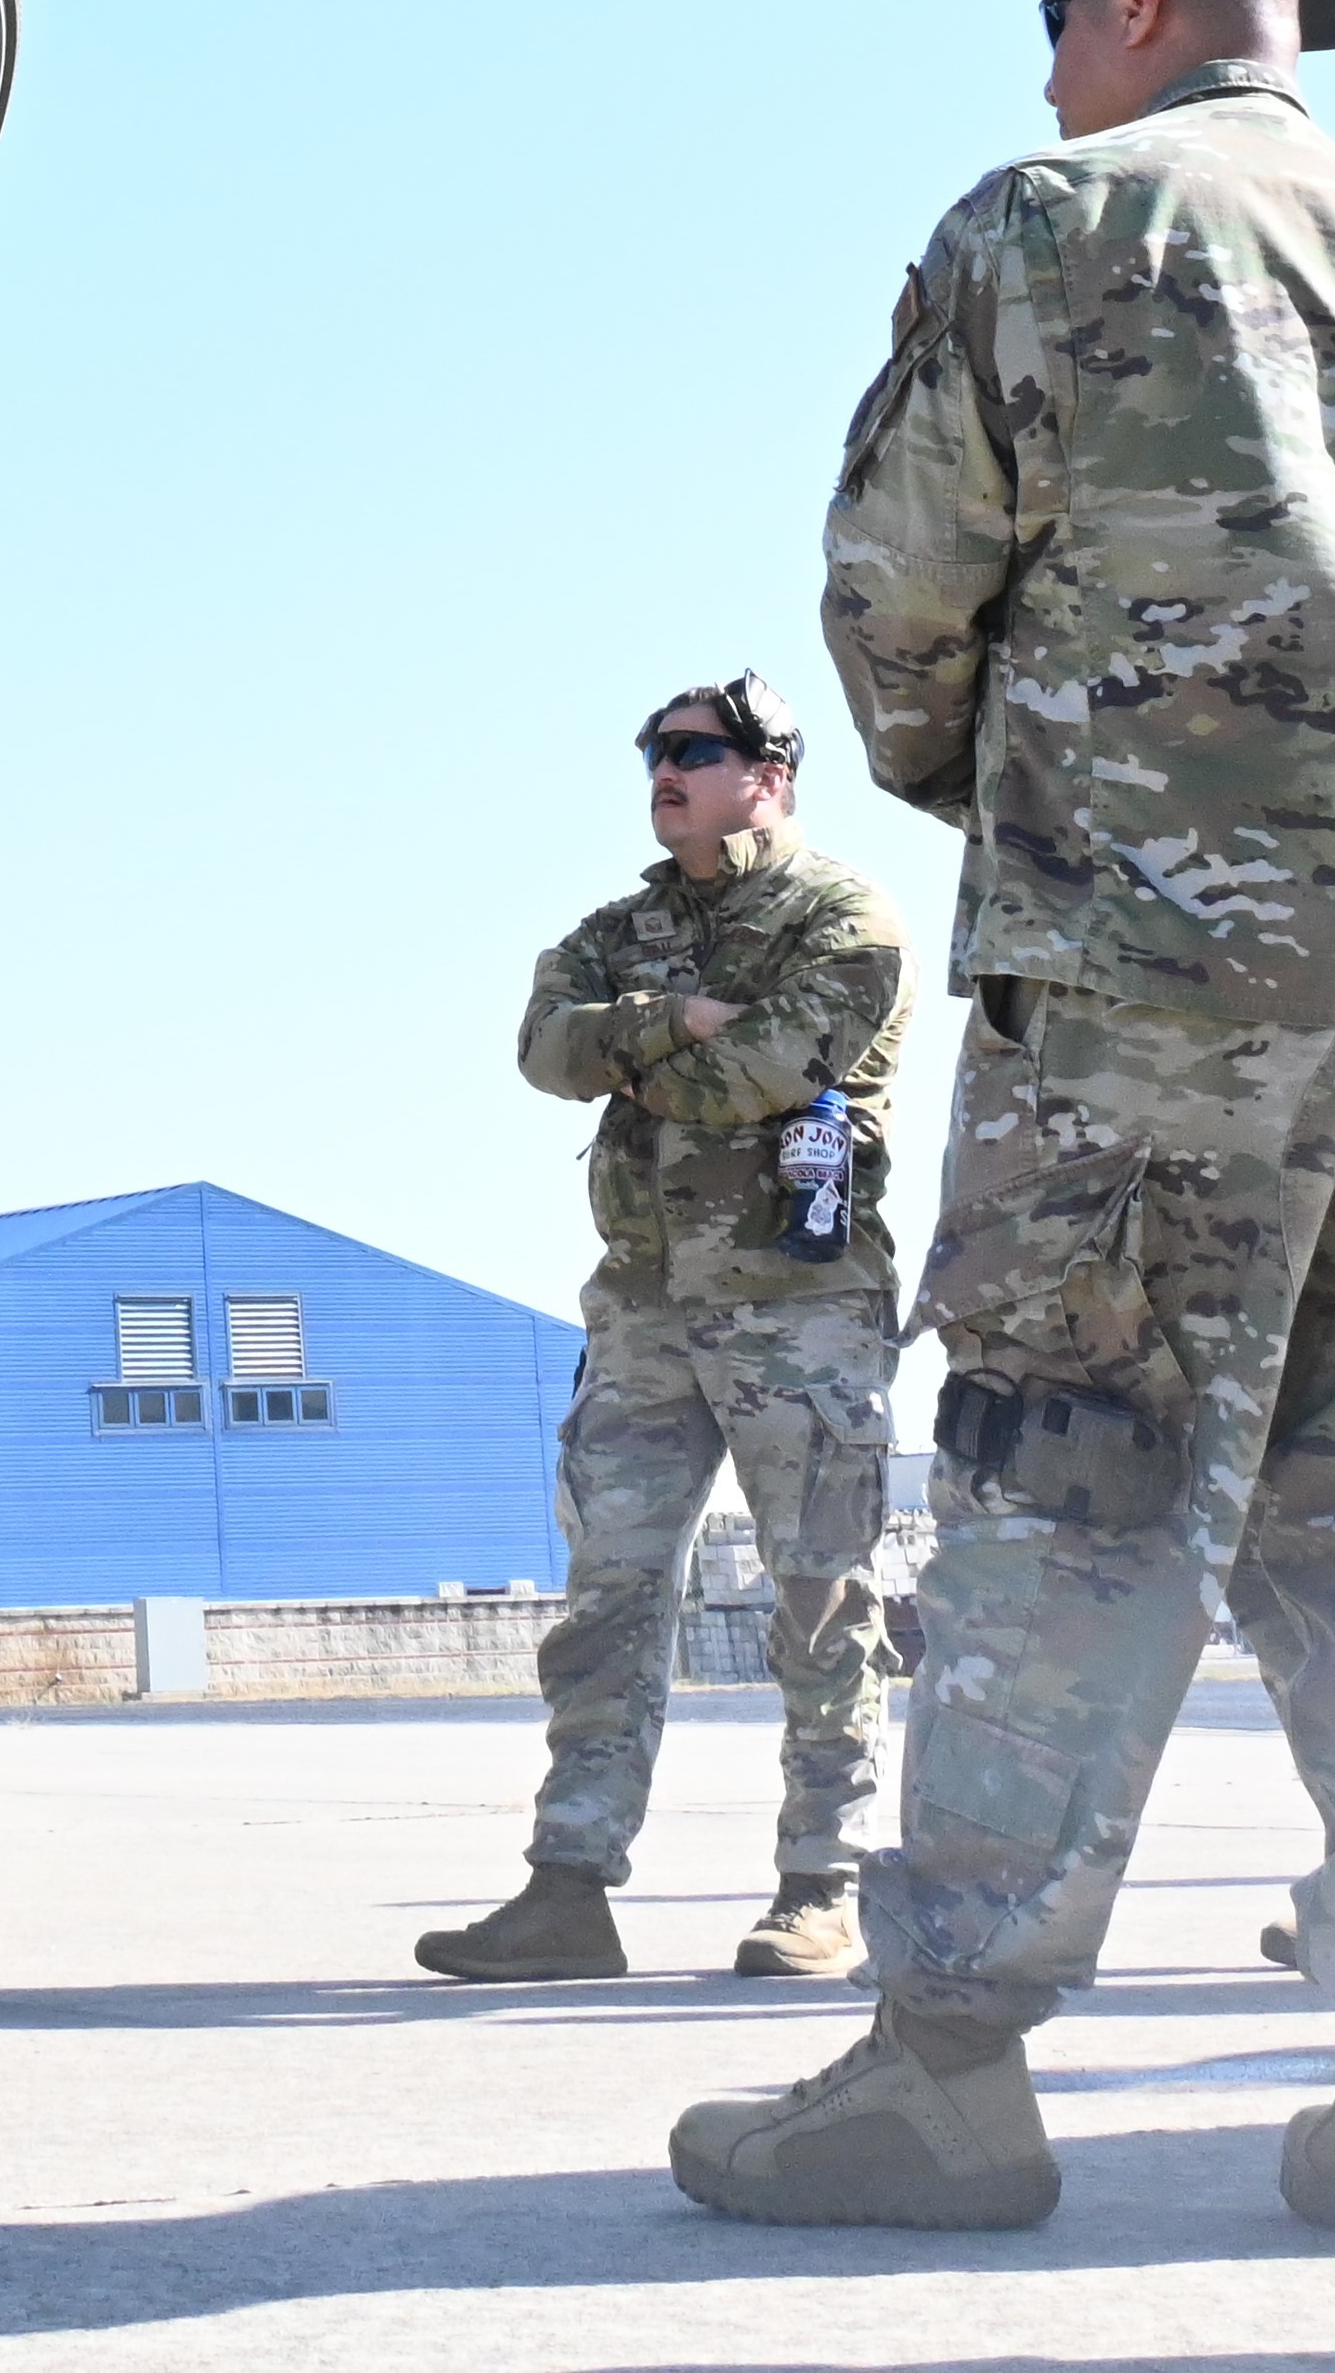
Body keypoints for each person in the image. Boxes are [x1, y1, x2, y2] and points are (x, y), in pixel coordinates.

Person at [669, 0, 1335, 2255]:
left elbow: (894, 592)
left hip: (1154, 975)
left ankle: (944, 2070)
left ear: (1147, 1)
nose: (1043, 55)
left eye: (1057, 6)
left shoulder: (1056, 218)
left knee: (1066, 1479)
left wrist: (1025, 789)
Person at [425, 683, 914, 1988]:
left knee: (821, 1595)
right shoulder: (619, 925)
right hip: (643, 1303)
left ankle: (824, 1883)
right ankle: (569, 1887)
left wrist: (638, 1047)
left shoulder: (844, 916)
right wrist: (670, 1020)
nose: (664, 771)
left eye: (694, 752)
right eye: (654, 753)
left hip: (797, 1310)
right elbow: (541, 1046)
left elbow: (767, 1070)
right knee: (611, 1598)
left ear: (771, 774)